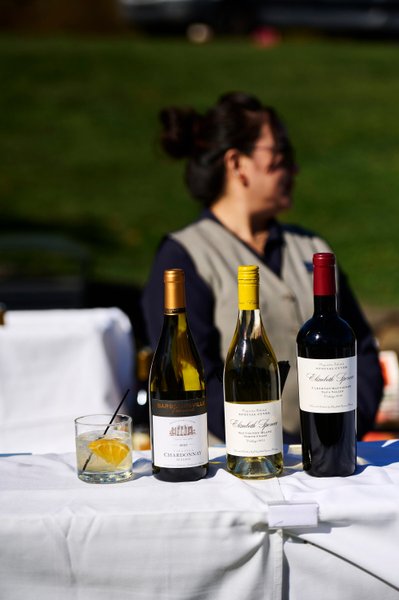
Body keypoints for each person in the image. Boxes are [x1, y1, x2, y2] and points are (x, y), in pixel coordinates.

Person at [142, 91, 383, 444]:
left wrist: (339, 431)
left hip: (328, 464)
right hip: (231, 471)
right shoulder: (185, 257)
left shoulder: (313, 249)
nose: (294, 168)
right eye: (281, 153)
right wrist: (265, 446)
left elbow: (360, 348)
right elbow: (192, 378)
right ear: (237, 163)